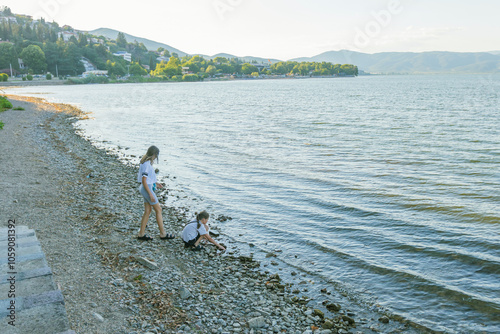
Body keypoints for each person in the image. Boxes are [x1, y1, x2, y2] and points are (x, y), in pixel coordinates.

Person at [137, 145, 174, 241]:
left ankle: (141, 234)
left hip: (145, 188)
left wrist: (155, 183)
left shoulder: (145, 162)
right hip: (146, 189)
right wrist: (150, 194)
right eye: (156, 156)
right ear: (154, 154)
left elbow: (147, 179)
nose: (156, 158)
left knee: (148, 211)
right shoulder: (146, 165)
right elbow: (144, 180)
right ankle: (163, 233)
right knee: (159, 210)